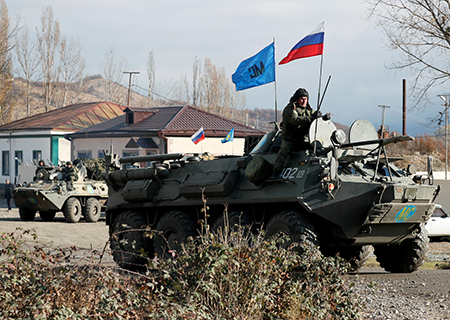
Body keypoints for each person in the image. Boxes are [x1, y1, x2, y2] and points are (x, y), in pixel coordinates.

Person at [273, 88, 331, 177]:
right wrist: (311, 117)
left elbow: (315, 119)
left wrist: (323, 117)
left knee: (317, 147)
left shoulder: (309, 110)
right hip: (290, 139)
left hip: (302, 139)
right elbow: (294, 120)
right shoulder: (290, 109)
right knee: (284, 151)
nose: (304, 101)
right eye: (302, 99)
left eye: (306, 99)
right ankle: (276, 172)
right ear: (297, 99)